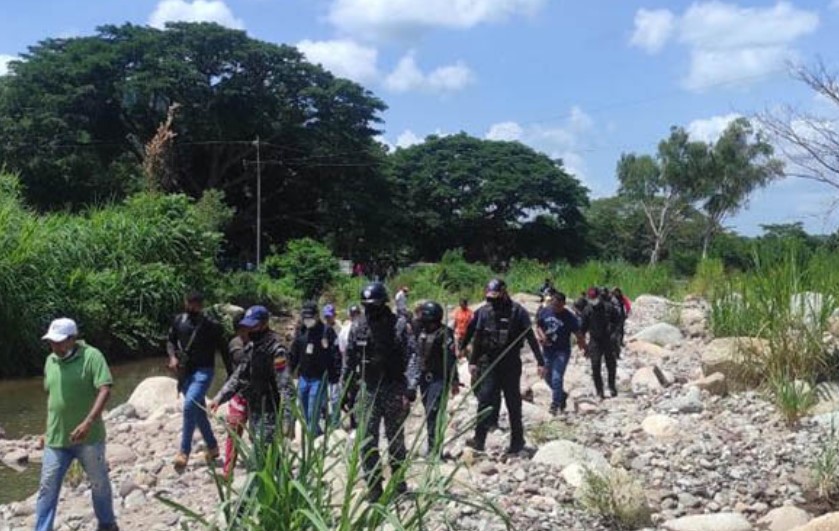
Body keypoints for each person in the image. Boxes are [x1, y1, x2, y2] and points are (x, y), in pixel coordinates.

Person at [36, 318, 119, 531]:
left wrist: (88, 422)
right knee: (47, 488)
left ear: (72, 339)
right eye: (51, 342)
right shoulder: (50, 361)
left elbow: (105, 389)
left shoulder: (92, 357)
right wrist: (46, 430)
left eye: (59, 341)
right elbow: (53, 399)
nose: (54, 346)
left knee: (99, 484)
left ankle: (107, 524)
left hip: (89, 439)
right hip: (56, 439)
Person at [343, 282, 419, 500]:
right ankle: (375, 487)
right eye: (366, 305)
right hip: (368, 389)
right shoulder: (359, 327)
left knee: (395, 440)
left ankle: (399, 484)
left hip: (394, 387)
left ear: (384, 304)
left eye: (374, 305)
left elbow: (413, 355)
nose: (370, 310)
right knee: (367, 441)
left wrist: (411, 386)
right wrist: (345, 391)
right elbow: (349, 361)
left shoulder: (399, 325)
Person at [464, 279, 546, 454]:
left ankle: (517, 440)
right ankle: (479, 439)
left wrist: (540, 361)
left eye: (495, 297)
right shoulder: (483, 312)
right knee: (485, 399)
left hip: (510, 363)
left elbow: (530, 337)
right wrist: (471, 360)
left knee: (513, 402)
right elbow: (476, 336)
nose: (492, 302)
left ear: (503, 293)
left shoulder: (518, 312)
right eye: (489, 298)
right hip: (489, 362)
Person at [209, 306, 290, 447]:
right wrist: (219, 397)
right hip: (255, 408)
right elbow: (238, 376)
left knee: (267, 453)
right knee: (257, 448)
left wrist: (288, 419)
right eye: (247, 326)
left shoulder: (277, 350)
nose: (249, 331)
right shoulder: (252, 347)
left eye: (254, 326)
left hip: (271, 410)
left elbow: (286, 387)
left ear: (265, 324)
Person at [167, 291, 231, 470]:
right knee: (198, 411)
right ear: (185, 301)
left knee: (189, 406)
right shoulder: (178, 321)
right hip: (185, 372)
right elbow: (170, 341)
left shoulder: (211, 325)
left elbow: (224, 349)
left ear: (201, 304)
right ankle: (212, 447)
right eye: (190, 302)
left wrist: (230, 373)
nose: (193, 305)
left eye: (196, 302)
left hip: (204, 371)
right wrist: (172, 357)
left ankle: (184, 452)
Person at [290, 302, 340, 435]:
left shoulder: (326, 331)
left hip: (319, 377)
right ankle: (315, 432)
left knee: (313, 409)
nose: (308, 320)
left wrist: (335, 375)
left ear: (317, 316)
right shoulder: (301, 331)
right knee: (304, 409)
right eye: (305, 318)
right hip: (303, 377)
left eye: (310, 317)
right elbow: (294, 352)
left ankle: (313, 437)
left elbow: (335, 354)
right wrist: (289, 370)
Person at [416, 301, 460, 454]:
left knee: (434, 411)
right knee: (429, 413)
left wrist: (454, 380)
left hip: (439, 378)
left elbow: (451, 358)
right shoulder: (420, 331)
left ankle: (435, 449)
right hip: (423, 378)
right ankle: (432, 445)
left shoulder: (445, 333)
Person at [536, 290, 586, 415]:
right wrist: (542, 336)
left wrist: (584, 346)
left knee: (557, 377)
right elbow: (538, 326)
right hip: (547, 350)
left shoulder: (569, 317)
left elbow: (578, 333)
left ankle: (555, 404)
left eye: (558, 306)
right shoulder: (545, 311)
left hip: (562, 351)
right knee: (547, 377)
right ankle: (561, 395)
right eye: (554, 305)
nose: (555, 308)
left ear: (563, 304)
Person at [581, 287, 621, 399]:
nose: (593, 300)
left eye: (595, 298)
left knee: (611, 364)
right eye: (591, 298)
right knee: (595, 365)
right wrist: (583, 344)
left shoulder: (608, 307)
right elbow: (583, 328)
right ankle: (599, 390)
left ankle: (612, 386)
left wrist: (615, 334)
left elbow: (618, 321)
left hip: (608, 339)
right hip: (595, 341)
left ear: (599, 297)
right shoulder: (587, 310)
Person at [222, 317, 250, 479]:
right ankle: (228, 471)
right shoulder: (236, 344)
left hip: (257, 394)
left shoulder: (259, 342)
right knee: (234, 432)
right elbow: (241, 360)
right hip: (239, 395)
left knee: (258, 434)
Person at [339, 306, 361, 429]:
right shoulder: (345, 330)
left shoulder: (345, 330)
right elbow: (343, 352)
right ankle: (354, 423)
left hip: (355, 368)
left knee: (355, 395)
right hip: (351, 368)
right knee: (353, 396)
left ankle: (356, 423)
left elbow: (342, 352)